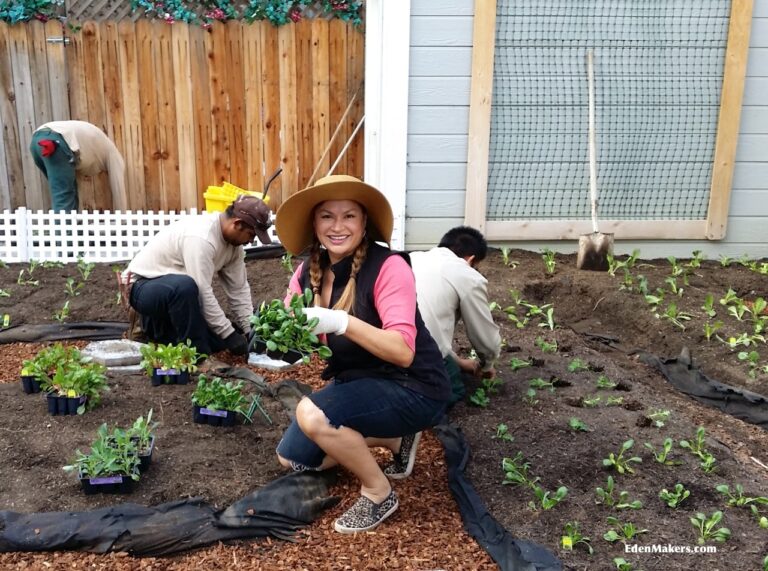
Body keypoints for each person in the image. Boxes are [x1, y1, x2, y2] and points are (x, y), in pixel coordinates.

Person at [273, 175, 450, 534]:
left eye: (349, 216)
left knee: (313, 414)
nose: (337, 227)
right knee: (292, 458)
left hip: (413, 386)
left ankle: (378, 491)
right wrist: (275, 336)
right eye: (326, 216)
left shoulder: (388, 267)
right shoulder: (307, 272)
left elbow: (402, 352)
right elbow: (295, 335)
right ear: (313, 223)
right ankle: (395, 439)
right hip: (361, 382)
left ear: (365, 222)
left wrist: (341, 321)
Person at [120, 195, 272, 358]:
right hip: (142, 287)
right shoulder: (202, 238)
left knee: (218, 343)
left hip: (175, 294)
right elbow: (202, 291)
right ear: (237, 224)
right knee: (185, 287)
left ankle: (154, 327)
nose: (251, 241)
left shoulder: (235, 247)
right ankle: (198, 357)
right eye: (251, 235)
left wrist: (250, 331)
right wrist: (228, 334)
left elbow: (238, 289)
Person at [410, 226, 501, 405]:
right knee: (453, 388)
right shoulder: (467, 275)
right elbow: (485, 338)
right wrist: (487, 364)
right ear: (471, 259)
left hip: (381, 349)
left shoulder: (411, 258)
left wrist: (459, 362)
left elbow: (430, 324)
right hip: (416, 359)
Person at [29, 120, 128, 212]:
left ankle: (72, 227)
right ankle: (65, 231)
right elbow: (118, 189)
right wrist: (122, 219)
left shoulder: (93, 145)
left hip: (36, 141)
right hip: (55, 142)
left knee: (66, 189)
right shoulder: (113, 154)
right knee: (64, 195)